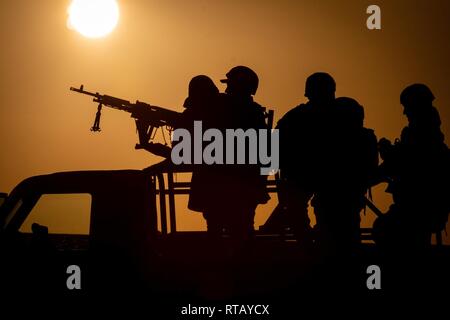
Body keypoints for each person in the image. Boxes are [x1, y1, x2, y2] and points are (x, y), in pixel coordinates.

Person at [373, 84, 450, 250]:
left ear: (416, 107)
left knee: (382, 229)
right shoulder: (431, 138)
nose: (405, 112)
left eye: (407, 107)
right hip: (423, 210)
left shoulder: (423, 139)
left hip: (416, 211)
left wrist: (387, 153)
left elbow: (403, 164)